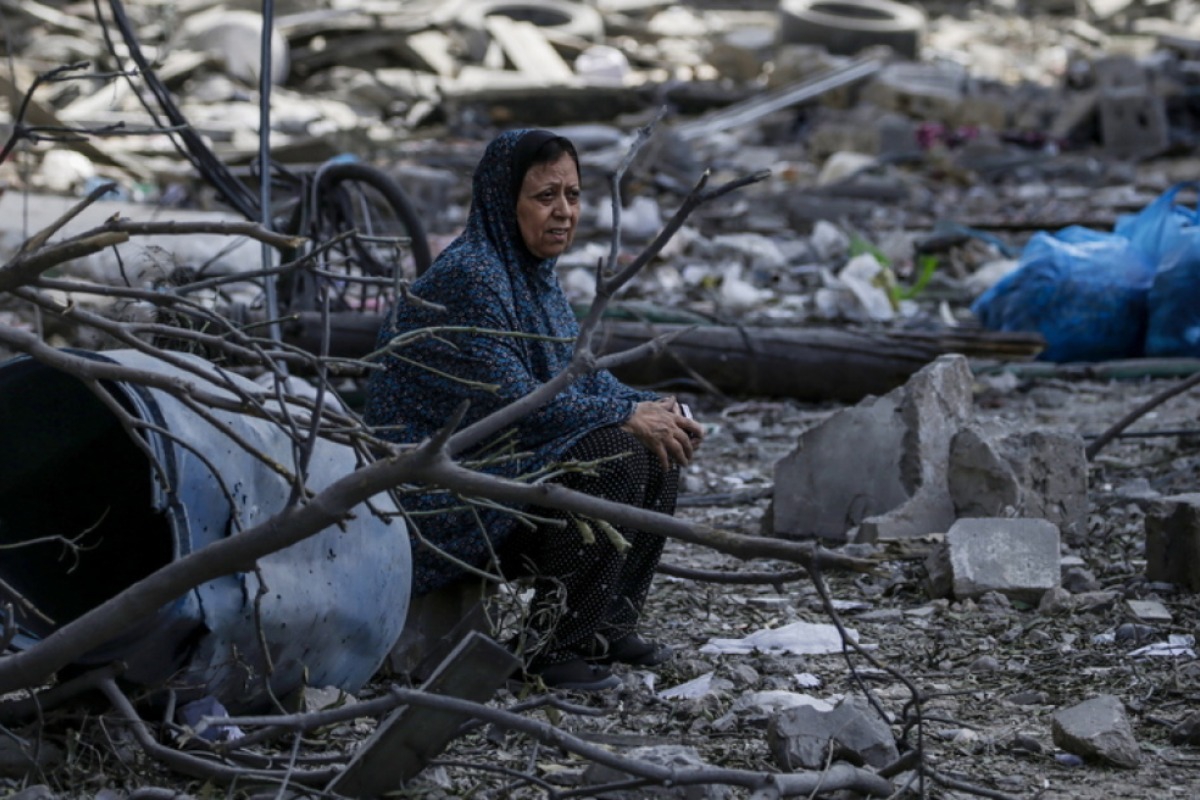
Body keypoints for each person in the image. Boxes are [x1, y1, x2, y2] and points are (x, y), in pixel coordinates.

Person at [363, 129, 703, 691]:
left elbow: (579, 380)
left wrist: (651, 406)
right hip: (440, 497)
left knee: (657, 443)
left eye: (572, 195)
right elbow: (520, 402)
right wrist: (626, 417)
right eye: (546, 197)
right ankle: (552, 649)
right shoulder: (474, 276)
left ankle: (606, 627)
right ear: (504, 200)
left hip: (504, 469)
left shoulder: (533, 276)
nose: (564, 212)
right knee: (613, 453)